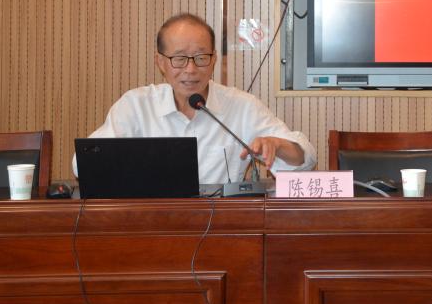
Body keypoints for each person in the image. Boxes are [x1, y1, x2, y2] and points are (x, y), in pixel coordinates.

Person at [74, 13, 316, 184]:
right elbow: (82, 165)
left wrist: (277, 145)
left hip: (221, 226)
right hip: (150, 224)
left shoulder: (242, 106)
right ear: (160, 62)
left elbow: (305, 159)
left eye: (201, 58)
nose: (191, 70)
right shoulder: (136, 106)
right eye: (179, 59)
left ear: (213, 60)